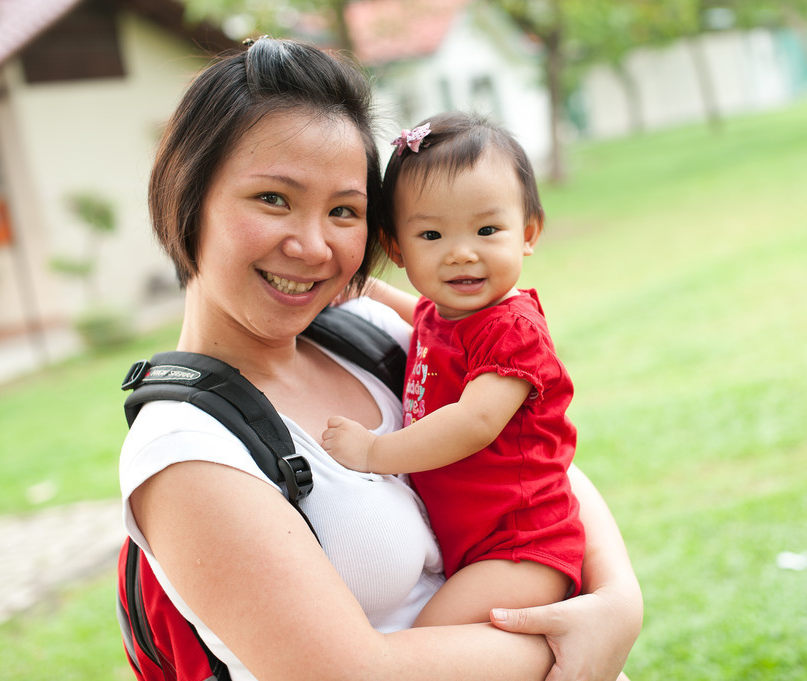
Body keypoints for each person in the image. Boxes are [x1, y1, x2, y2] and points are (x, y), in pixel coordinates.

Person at [120, 36, 642, 681]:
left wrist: (619, 599)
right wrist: (569, 641)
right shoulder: (188, 452)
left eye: (344, 211)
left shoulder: (365, 331)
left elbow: (533, 459)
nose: (314, 246)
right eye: (274, 199)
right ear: (188, 197)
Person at [321, 112, 584, 628]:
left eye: (487, 229)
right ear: (397, 248)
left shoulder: (512, 330)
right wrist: (359, 286)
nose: (461, 253)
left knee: (429, 644)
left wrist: (376, 452)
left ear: (527, 232)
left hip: (520, 547)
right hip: (475, 545)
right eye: (432, 234)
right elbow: (411, 309)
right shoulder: (443, 315)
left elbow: (475, 422)